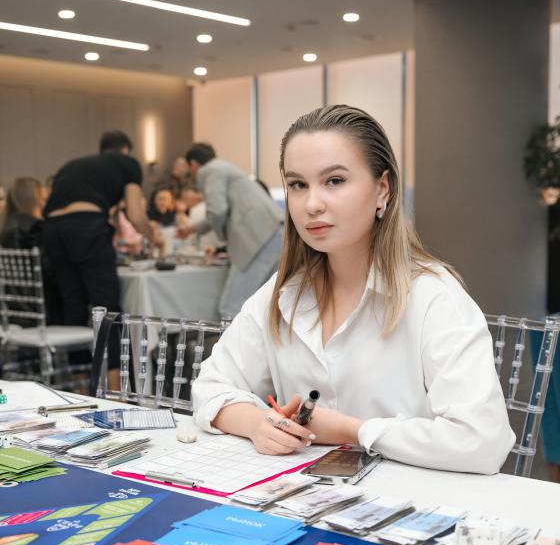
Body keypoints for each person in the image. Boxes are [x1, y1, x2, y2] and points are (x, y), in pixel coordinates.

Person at [192, 104, 514, 475]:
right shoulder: (282, 294)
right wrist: (257, 424)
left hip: (414, 501)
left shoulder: (433, 297)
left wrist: (353, 430)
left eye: (334, 181)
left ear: (382, 189)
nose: (312, 204)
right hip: (301, 498)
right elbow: (210, 386)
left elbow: (482, 441)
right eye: (298, 185)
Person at [43, 130, 161, 388]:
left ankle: (80, 387)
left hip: (51, 230)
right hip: (85, 225)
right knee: (107, 309)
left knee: (73, 307)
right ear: (126, 150)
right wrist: (155, 238)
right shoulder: (128, 164)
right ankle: (115, 390)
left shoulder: (76, 166)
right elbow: (136, 214)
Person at [181, 143, 284, 317]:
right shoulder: (224, 168)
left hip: (256, 238)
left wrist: (223, 239)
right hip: (274, 233)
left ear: (193, 164)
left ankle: (229, 337)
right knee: (265, 307)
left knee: (231, 307)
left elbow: (216, 211)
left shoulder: (208, 171)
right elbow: (223, 210)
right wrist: (193, 228)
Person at [0, 177, 63, 325]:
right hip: (41, 308)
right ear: (35, 198)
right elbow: (50, 271)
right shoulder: (34, 228)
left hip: (13, 308)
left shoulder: (5, 228)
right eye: (43, 198)